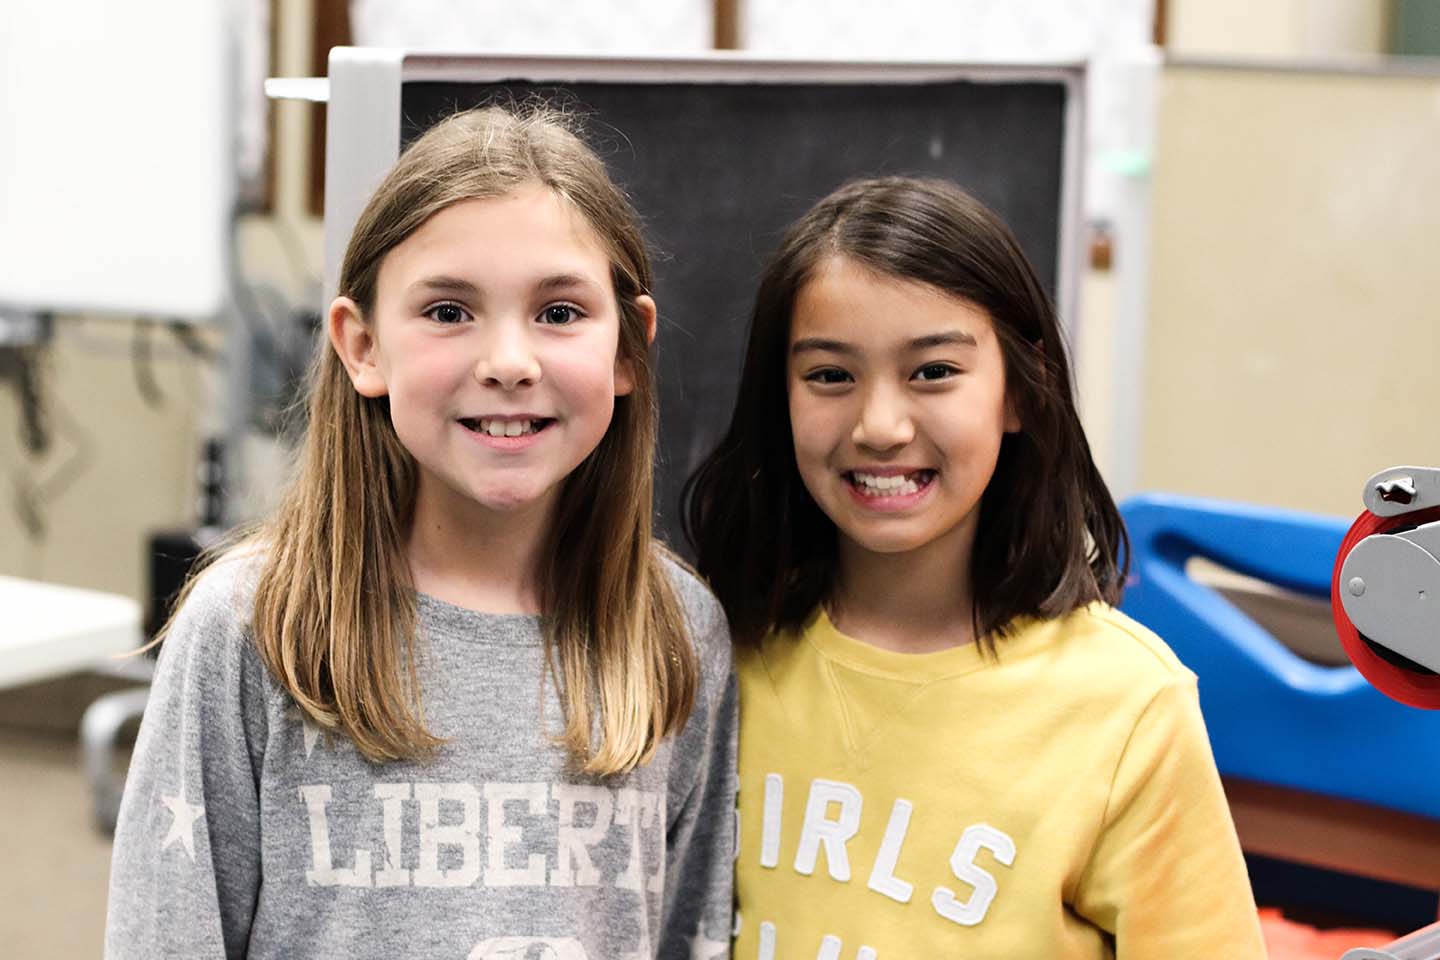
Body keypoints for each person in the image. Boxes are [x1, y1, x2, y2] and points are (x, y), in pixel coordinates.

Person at [106, 105, 736, 960]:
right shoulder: (250, 626)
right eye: (448, 311)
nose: (509, 362)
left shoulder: (680, 632)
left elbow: (691, 932)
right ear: (363, 346)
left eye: (559, 312)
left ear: (628, 350)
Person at [685, 176, 1264, 958]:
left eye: (932, 372)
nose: (879, 426)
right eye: (830, 375)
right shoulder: (716, 657)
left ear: (1021, 390)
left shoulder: (1128, 705)